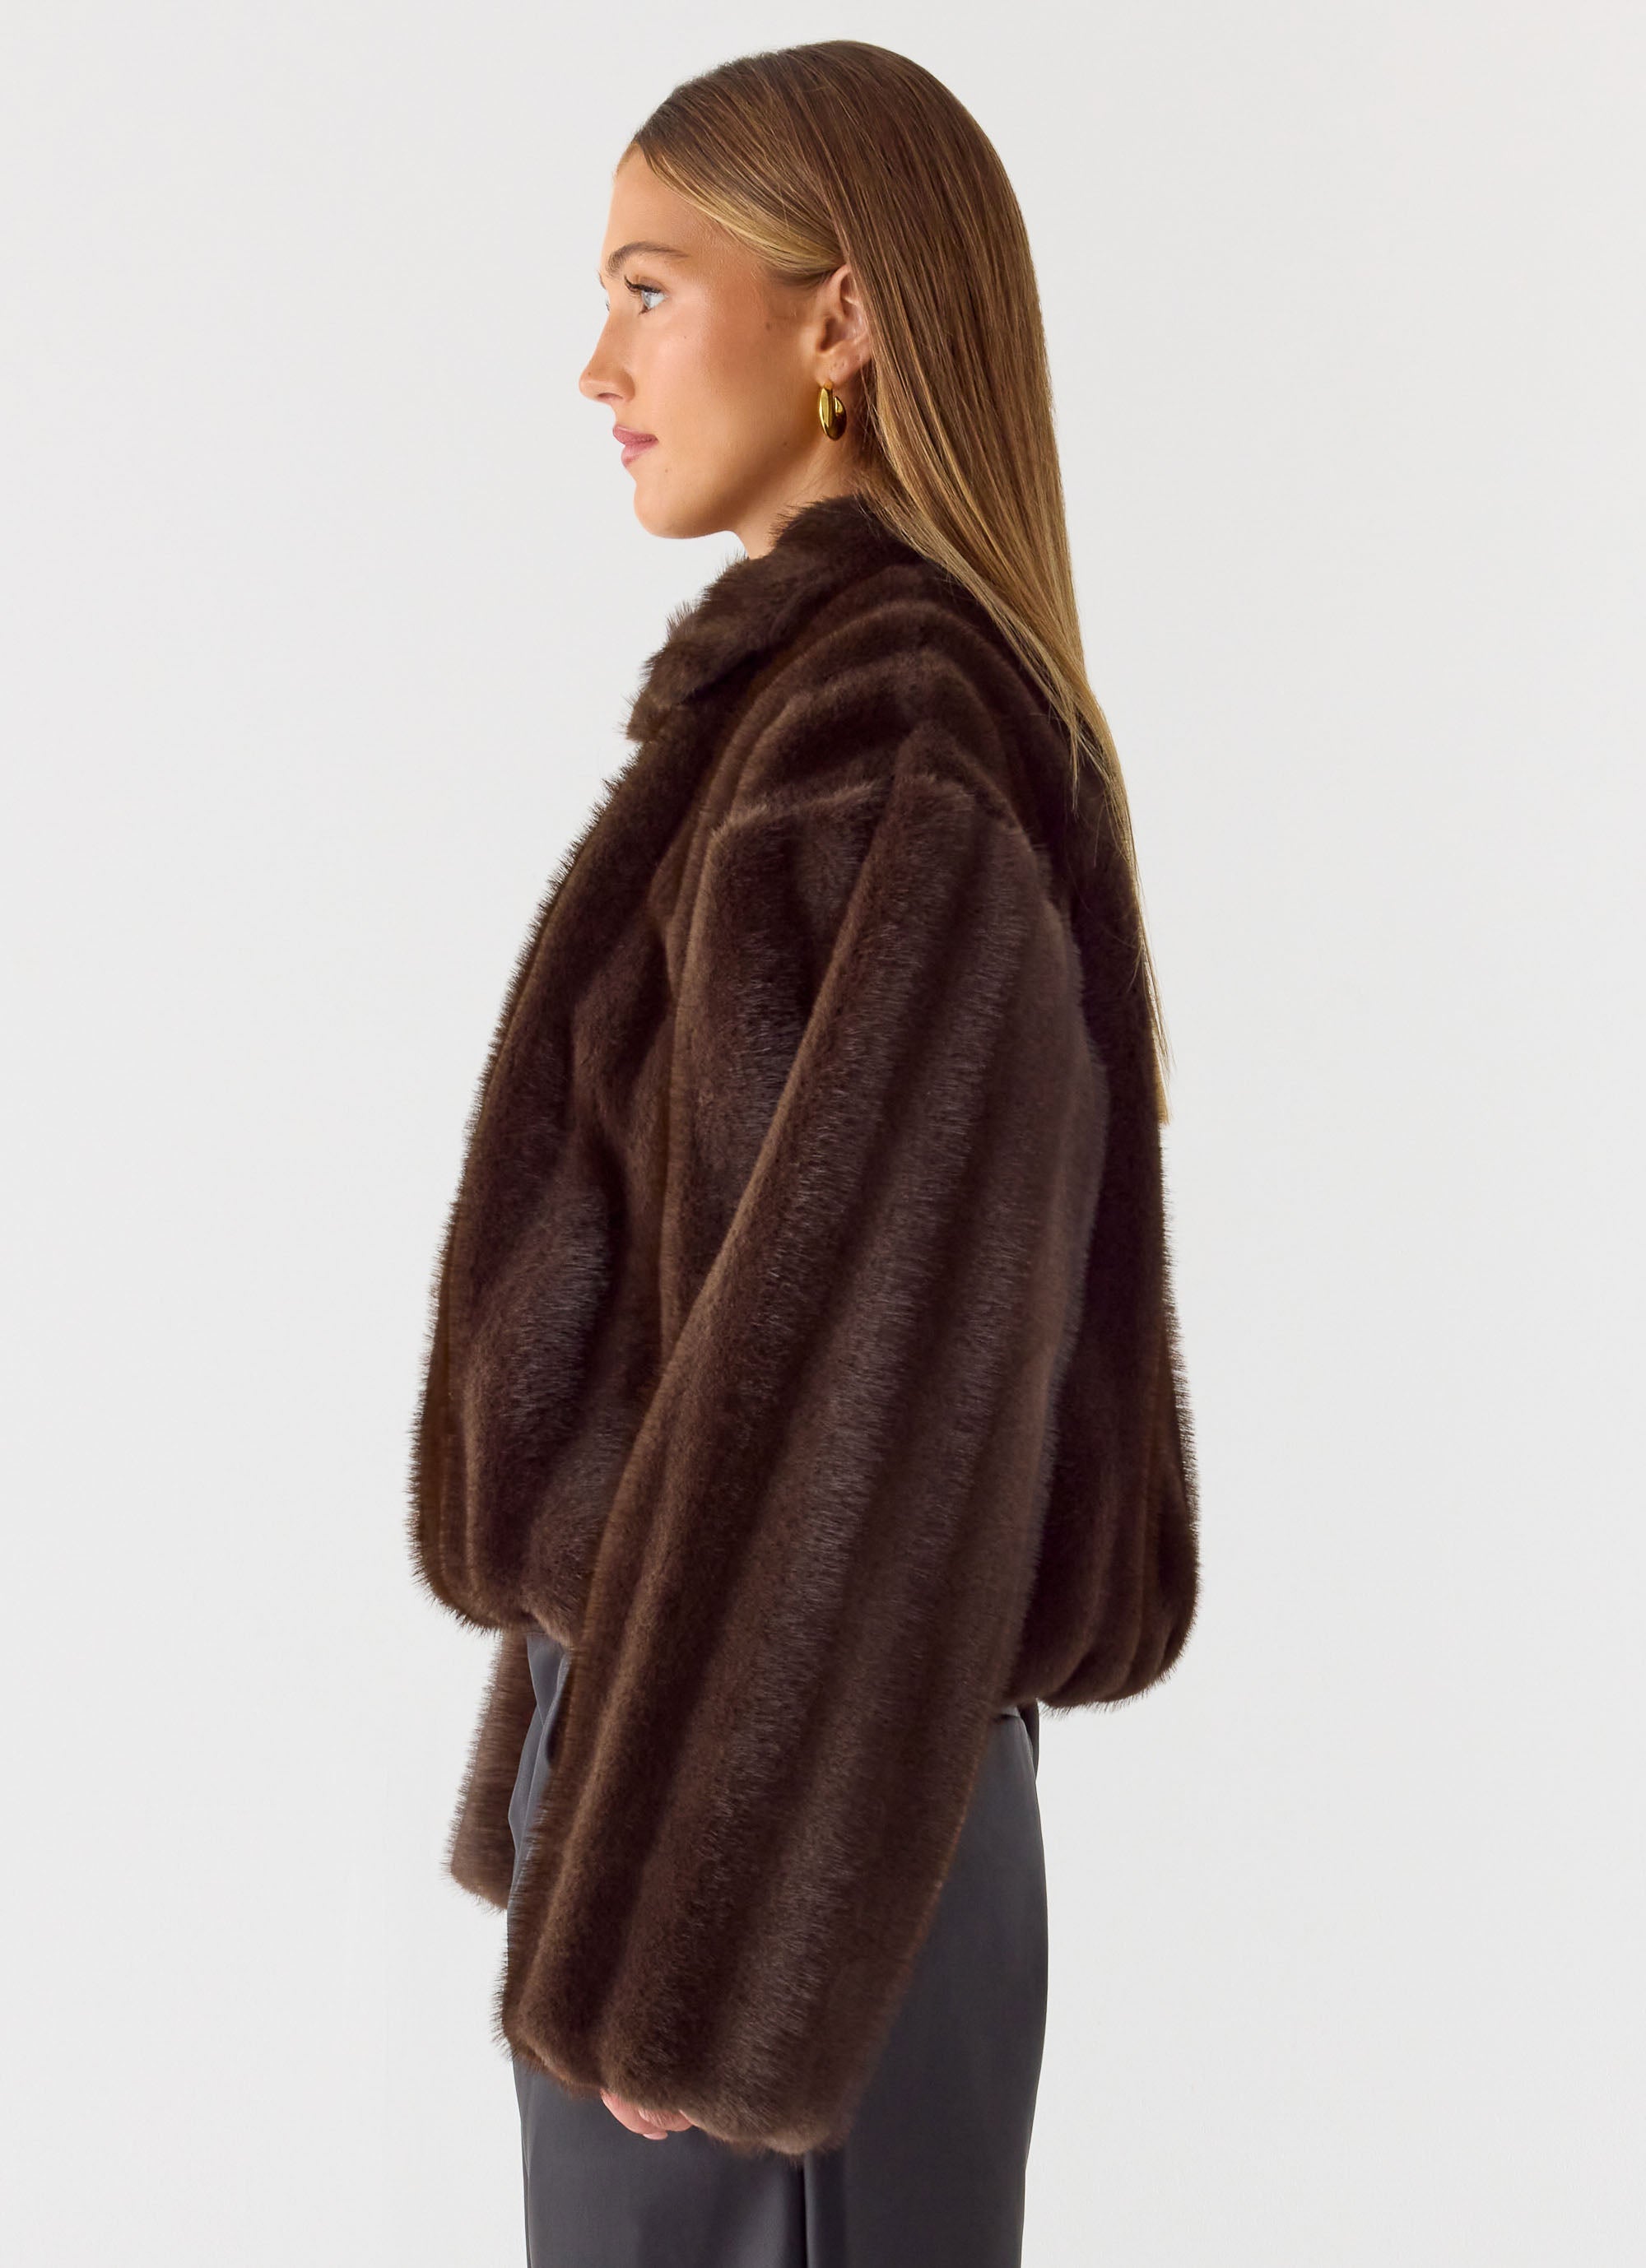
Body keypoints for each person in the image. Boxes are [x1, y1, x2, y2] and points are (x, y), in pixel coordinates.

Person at [407, 39, 1199, 2267]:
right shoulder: (816, 714)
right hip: (729, 1804)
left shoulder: (886, 730)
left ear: (837, 318)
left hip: (773, 1852)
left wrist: (697, 1924)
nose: (599, 365)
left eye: (651, 288)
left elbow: (874, 1363)